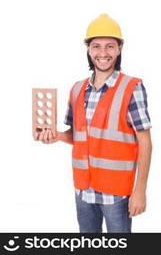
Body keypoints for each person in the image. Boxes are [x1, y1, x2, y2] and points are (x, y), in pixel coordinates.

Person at [34, 14, 153, 233]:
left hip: (117, 193)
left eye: (110, 46)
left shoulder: (132, 87)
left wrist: (140, 189)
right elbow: (77, 135)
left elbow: (145, 142)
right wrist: (58, 135)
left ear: (119, 50)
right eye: (96, 46)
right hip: (83, 190)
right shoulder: (77, 89)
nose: (103, 53)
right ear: (89, 50)